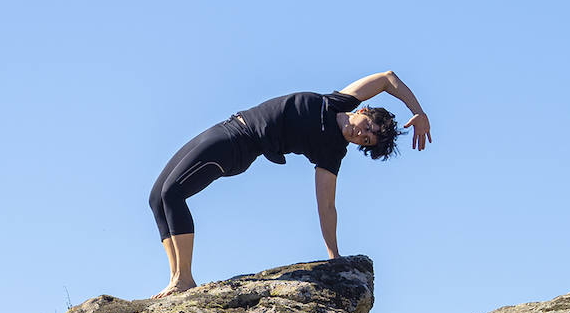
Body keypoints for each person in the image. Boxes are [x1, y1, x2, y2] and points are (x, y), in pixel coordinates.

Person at [148, 70, 431, 298]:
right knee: (157, 197)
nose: (361, 134)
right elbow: (387, 78)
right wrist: (418, 111)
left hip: (239, 145)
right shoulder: (338, 102)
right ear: (363, 110)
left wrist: (334, 256)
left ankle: (185, 278)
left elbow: (326, 206)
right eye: (367, 127)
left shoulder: (331, 152)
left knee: (173, 193)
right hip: (228, 126)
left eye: (366, 141)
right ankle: (176, 277)